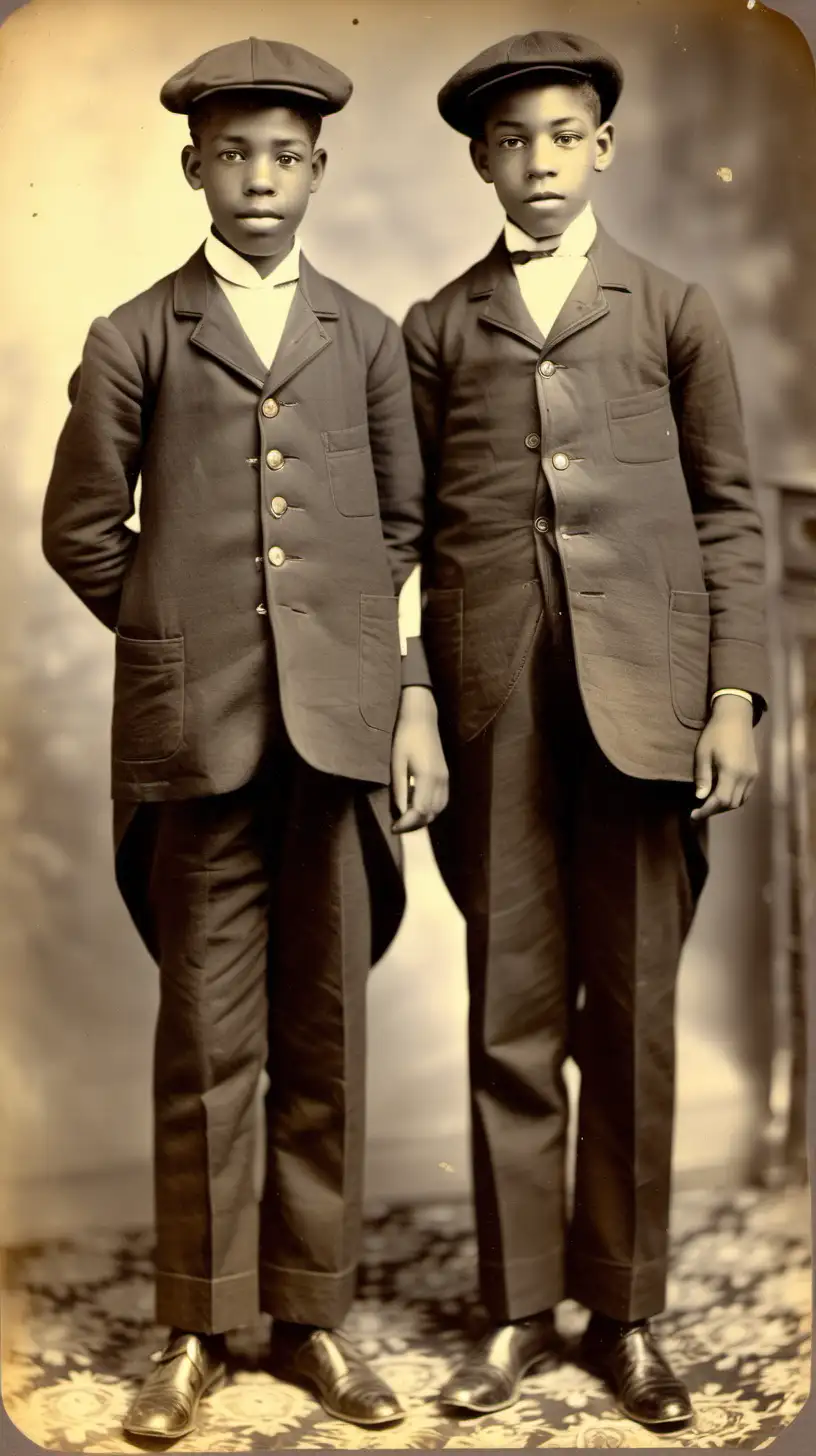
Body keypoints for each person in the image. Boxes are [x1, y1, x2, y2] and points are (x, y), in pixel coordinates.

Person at [42, 35, 447, 1441]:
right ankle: (198, 1329)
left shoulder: (370, 338)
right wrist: (180, 640)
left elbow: (405, 529)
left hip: (334, 743)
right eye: (234, 155)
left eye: (285, 156)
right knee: (207, 1042)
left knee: (323, 1035)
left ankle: (314, 1320)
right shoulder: (135, 334)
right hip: (197, 743)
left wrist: (391, 684)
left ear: (318, 170)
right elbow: (84, 531)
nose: (260, 178)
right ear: (193, 168)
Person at [402, 28, 766, 1431]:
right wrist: (422, 703)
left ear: (602, 147)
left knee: (635, 1019)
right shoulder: (440, 327)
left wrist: (731, 696)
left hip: (648, 714)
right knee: (510, 1010)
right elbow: (408, 535)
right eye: (513, 141)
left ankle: (623, 1310)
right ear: (482, 160)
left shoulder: (672, 311)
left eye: (565, 135)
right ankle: (516, 1301)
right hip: (497, 712)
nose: (540, 161)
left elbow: (731, 514)